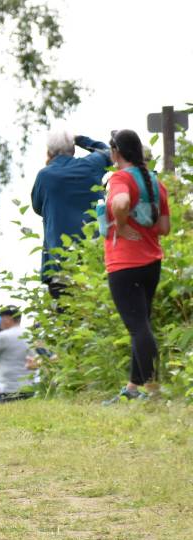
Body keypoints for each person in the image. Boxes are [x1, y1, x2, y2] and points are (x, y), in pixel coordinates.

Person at [102, 130, 171, 403]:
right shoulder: (155, 181)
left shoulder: (120, 178)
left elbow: (120, 202)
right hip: (151, 262)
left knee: (138, 328)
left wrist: (120, 225)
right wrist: (142, 225)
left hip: (124, 264)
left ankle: (153, 390)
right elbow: (164, 228)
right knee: (141, 323)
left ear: (116, 152)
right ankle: (133, 388)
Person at [31, 130, 111, 299]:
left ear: (49, 151)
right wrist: (81, 139)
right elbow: (108, 152)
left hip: (59, 264)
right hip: (95, 257)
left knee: (68, 318)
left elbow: (37, 207)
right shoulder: (91, 165)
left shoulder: (44, 176)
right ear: (73, 149)